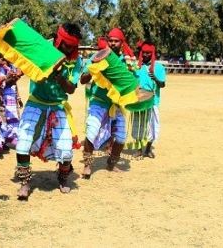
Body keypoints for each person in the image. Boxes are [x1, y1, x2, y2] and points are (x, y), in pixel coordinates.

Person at [14, 23, 83, 200]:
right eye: (66, 44)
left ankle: (63, 179)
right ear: (58, 39)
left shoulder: (76, 60)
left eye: (72, 46)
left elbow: (71, 89)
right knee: (23, 142)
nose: (69, 49)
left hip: (58, 106)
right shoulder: (41, 47)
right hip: (35, 103)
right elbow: (24, 62)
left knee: (66, 150)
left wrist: (59, 76)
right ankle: (24, 183)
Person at [80, 28, 134, 178]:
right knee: (91, 132)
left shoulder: (127, 61)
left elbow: (131, 83)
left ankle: (111, 164)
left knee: (121, 137)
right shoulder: (97, 57)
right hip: (98, 101)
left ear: (121, 43)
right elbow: (83, 80)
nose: (113, 43)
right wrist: (94, 68)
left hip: (117, 104)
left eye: (116, 41)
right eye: (110, 40)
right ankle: (87, 165)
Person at [134, 41, 166, 158]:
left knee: (152, 125)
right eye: (144, 53)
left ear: (152, 53)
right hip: (138, 100)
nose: (146, 55)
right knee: (138, 124)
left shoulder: (159, 67)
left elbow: (162, 85)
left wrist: (155, 78)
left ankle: (148, 149)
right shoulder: (136, 66)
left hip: (153, 101)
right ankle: (138, 149)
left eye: (149, 53)